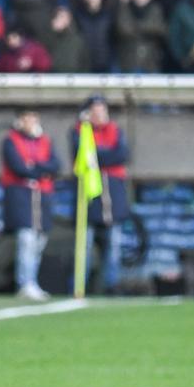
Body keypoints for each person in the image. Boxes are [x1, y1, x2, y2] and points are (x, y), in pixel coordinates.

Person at [70, 95, 129, 294]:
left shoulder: (116, 131)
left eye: (102, 110)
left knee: (114, 247)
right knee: (84, 248)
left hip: (114, 200)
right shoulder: (80, 132)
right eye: (95, 111)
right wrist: (101, 155)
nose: (100, 114)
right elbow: (84, 155)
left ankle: (112, 287)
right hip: (89, 201)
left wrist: (99, 155)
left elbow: (121, 154)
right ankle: (79, 287)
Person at [1, 109, 59, 301]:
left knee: (39, 241)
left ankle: (32, 281)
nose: (30, 122)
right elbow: (18, 167)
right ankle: (25, 283)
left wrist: (34, 167)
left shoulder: (45, 141)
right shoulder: (10, 141)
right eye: (26, 118)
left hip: (42, 198)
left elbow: (55, 165)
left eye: (33, 118)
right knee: (26, 240)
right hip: (21, 197)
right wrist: (39, 170)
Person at [115, 0, 167, 72]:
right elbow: (123, 29)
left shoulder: (156, 10)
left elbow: (159, 29)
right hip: (128, 63)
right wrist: (146, 30)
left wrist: (136, 27)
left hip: (150, 63)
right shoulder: (124, 9)